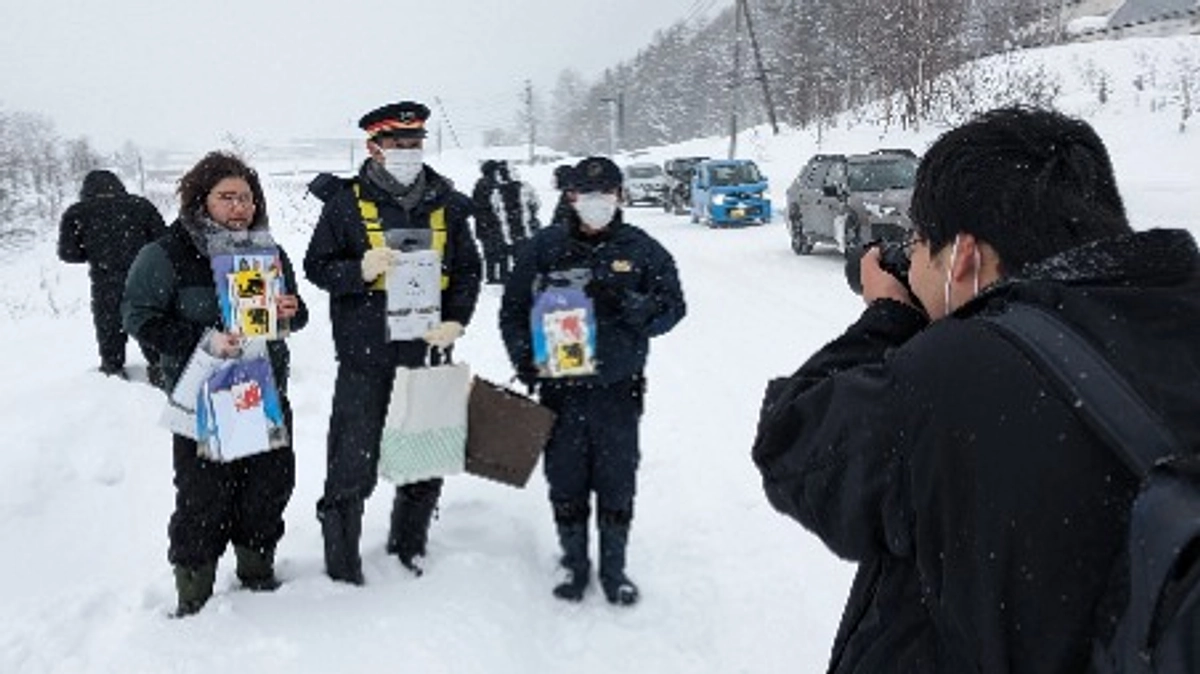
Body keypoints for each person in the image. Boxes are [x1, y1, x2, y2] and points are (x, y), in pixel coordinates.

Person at [751, 106, 1200, 673]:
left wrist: (889, 314)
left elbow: (794, 446)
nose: (910, 261)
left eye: (918, 244)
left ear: (963, 256)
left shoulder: (957, 375)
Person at [122, 151, 308, 617]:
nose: (240, 207)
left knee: (267, 488)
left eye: (246, 197)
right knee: (203, 500)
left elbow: (293, 313)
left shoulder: (266, 251)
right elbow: (137, 316)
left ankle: (257, 572)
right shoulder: (166, 253)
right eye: (227, 197)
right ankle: (194, 591)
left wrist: (292, 311)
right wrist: (202, 339)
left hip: (261, 391)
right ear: (200, 199)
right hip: (202, 396)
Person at [304, 100, 482, 585]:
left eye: (414, 144)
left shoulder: (445, 202)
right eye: (397, 144)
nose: (407, 151)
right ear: (374, 148)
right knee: (351, 462)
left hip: (428, 348)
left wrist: (457, 321)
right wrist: (357, 271)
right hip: (365, 355)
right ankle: (342, 566)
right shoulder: (345, 204)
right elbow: (316, 266)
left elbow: (468, 269)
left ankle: (409, 548)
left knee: (424, 453)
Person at [499, 156, 686, 606]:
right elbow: (512, 312)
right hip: (559, 390)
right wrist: (525, 360)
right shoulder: (544, 247)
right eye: (588, 195)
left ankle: (614, 569)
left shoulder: (642, 249)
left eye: (606, 194)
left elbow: (673, 308)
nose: (597, 203)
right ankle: (574, 564)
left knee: (617, 480)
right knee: (566, 480)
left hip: (618, 392)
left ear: (620, 196)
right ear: (571, 197)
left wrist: (631, 304)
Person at [58, 169, 167, 381]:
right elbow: (163, 241)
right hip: (144, 279)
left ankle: (113, 371)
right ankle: (160, 368)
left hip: (105, 281)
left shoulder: (77, 213)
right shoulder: (140, 206)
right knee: (148, 321)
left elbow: (67, 253)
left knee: (109, 327)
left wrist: (95, 253)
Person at [490, 161, 541, 260]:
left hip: (510, 231)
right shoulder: (525, 187)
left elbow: (496, 210)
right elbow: (536, 203)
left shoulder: (497, 192)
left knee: (518, 260)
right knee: (531, 259)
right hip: (527, 229)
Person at [471, 159, 508, 284]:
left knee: (489, 252)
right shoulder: (495, 185)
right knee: (502, 251)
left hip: (482, 224)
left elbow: (474, 205)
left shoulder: (479, 184)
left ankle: (491, 276)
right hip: (494, 224)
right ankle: (503, 275)